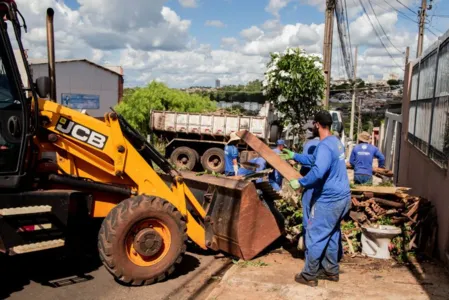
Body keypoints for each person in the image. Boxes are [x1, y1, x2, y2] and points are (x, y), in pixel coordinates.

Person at [281, 111, 351, 287]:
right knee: (332, 234)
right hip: (343, 198)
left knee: (315, 234)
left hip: (329, 201)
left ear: (317, 124)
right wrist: (294, 156)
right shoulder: (334, 142)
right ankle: (331, 271)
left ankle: (309, 274)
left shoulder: (325, 146)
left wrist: (301, 182)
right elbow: (314, 160)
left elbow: (318, 172)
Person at [297, 121, 320, 251]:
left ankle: (307, 246)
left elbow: (306, 166)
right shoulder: (326, 143)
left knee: (307, 215)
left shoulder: (309, 144)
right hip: (322, 186)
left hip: (310, 184)